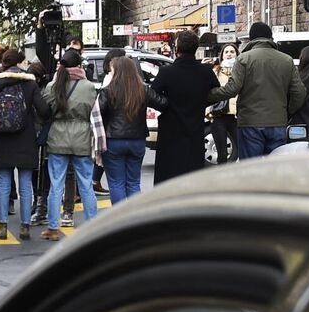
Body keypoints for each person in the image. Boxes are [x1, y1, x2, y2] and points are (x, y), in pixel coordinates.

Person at [207, 21, 306, 159]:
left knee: (251, 168)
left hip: (250, 122)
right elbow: (299, 92)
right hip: (278, 122)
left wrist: (209, 95)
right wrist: (288, 111)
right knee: (275, 167)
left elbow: (232, 89)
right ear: (270, 37)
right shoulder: (286, 60)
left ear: (252, 39)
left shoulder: (243, 59)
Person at [37, 49, 101, 241]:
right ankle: (92, 227)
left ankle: (53, 227)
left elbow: (44, 109)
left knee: (56, 185)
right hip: (82, 138)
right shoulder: (89, 87)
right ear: (79, 65)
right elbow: (93, 110)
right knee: (86, 184)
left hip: (57, 139)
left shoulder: (53, 86)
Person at [0, 48, 38, 240]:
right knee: (25, 185)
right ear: (20, 63)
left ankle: (3, 226)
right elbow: (44, 110)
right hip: (26, 139)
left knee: (4, 184)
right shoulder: (29, 84)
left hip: (1, 139)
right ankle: (25, 226)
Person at [148, 31, 220, 184]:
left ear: (177, 49)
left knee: (168, 176)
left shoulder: (167, 72)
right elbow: (216, 94)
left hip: (170, 131)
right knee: (192, 174)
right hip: (195, 128)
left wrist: (165, 105)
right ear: (195, 48)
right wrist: (202, 102)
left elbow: (152, 95)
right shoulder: (205, 72)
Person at [100, 55, 159, 205]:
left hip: (113, 140)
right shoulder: (143, 90)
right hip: (137, 140)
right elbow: (163, 103)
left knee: (116, 183)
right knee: (133, 183)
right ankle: (135, 219)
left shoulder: (108, 91)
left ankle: (119, 220)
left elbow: (98, 112)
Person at [210, 44, 239, 163]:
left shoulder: (241, 70)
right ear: (222, 55)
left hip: (237, 116)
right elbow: (210, 92)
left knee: (242, 149)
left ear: (237, 54)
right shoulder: (215, 70)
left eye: (232, 52)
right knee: (222, 153)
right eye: (226, 52)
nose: (229, 54)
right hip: (219, 116)